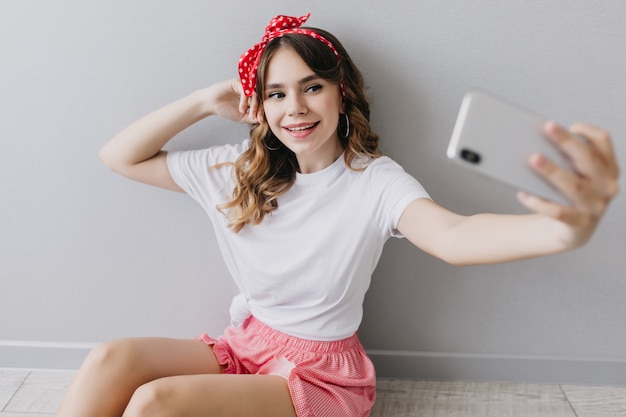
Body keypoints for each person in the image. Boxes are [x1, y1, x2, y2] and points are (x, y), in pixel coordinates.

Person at [56, 13, 619, 417]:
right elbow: (119, 157)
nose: (294, 108)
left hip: (322, 375)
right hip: (249, 345)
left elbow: (453, 235)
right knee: (111, 358)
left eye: (312, 87)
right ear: (257, 106)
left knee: (158, 403)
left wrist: (562, 229)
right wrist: (204, 101)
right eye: (275, 94)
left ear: (341, 94)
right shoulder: (234, 167)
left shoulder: (372, 181)